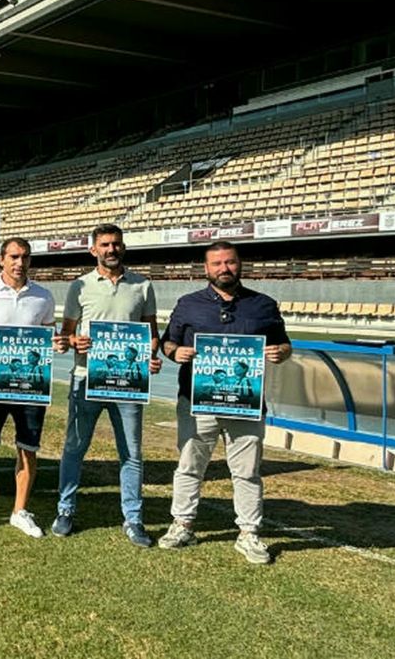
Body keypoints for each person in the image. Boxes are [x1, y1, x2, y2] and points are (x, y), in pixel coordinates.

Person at [158, 241, 292, 564]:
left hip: (245, 404)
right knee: (190, 465)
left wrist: (279, 354)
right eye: (216, 264)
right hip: (196, 400)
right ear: (206, 269)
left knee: (246, 471)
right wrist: (176, 353)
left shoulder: (263, 305)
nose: (224, 269)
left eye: (229, 262)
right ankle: (183, 524)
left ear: (239, 264)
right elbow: (167, 342)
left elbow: (284, 344)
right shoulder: (188, 304)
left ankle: (249, 533)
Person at [53, 224, 161, 547]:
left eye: (116, 244)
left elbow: (151, 336)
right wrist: (75, 342)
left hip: (128, 386)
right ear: (93, 250)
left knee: (132, 453)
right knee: (74, 448)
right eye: (104, 245)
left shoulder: (143, 286)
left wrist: (150, 356)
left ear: (123, 248)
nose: (111, 249)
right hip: (85, 380)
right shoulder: (80, 286)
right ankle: (65, 509)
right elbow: (65, 334)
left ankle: (134, 518)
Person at [0, 237, 61, 538]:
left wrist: (55, 342)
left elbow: (48, 336)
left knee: (28, 451)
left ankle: (20, 511)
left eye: (25, 257)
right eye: (14, 257)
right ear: (1, 260)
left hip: (30, 388)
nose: (20, 263)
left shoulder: (43, 297)